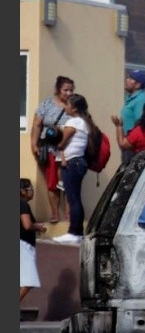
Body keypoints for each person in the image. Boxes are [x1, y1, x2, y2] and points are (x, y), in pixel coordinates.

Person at [52, 94, 97, 244]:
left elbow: (61, 143)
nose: (65, 107)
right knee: (75, 198)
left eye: (67, 104)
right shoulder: (84, 122)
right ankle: (77, 233)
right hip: (78, 163)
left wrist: (54, 138)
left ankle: (73, 233)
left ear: (75, 108)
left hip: (72, 163)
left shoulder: (74, 122)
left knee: (73, 199)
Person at [30, 75, 73, 223]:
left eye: (71, 90)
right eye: (65, 90)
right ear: (58, 89)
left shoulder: (74, 105)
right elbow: (37, 124)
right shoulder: (47, 104)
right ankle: (55, 214)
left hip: (70, 150)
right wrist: (34, 143)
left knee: (68, 182)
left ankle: (68, 214)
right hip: (50, 149)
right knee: (52, 182)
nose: (68, 93)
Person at [20, 178, 46, 302]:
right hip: (23, 246)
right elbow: (27, 225)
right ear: (22, 191)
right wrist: (39, 227)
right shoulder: (22, 204)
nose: (33, 192)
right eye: (30, 189)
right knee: (29, 280)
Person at [120, 70, 145, 164]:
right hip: (128, 142)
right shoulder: (131, 98)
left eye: (131, 79)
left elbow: (140, 123)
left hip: (133, 146)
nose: (127, 80)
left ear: (138, 85)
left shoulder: (140, 100)